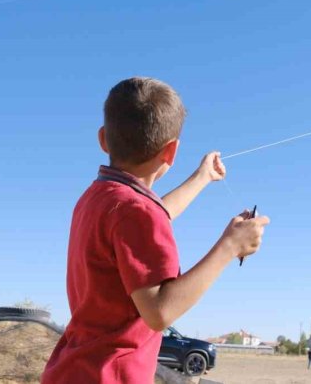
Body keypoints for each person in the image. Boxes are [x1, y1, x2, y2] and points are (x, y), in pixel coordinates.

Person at [42, 77, 270, 383]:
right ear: (171, 152)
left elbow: (150, 217)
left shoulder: (99, 197)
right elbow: (159, 311)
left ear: (103, 139)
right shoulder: (134, 212)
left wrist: (202, 177)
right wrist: (230, 246)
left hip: (71, 372)